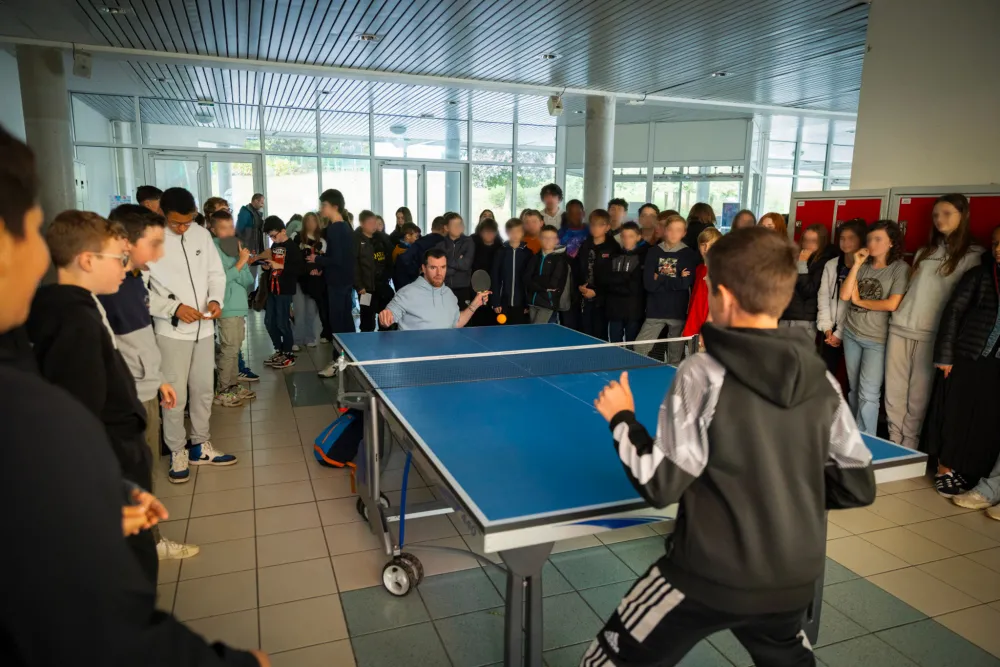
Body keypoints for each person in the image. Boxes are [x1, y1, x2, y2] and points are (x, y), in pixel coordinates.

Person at [0, 125, 272, 667]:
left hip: (175, 369)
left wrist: (102, 499)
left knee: (197, 395)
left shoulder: (43, 338)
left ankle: (199, 445)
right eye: (32, 230)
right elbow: (83, 617)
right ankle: (179, 454)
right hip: (153, 381)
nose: (131, 265)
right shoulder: (46, 358)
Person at [587, 226, 875, 667]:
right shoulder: (823, 379)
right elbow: (858, 485)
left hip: (705, 574)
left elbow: (660, 482)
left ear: (724, 296)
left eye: (707, 287)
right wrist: (780, 494)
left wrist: (621, 417)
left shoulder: (702, 372)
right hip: (791, 576)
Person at [26, 210, 162, 584]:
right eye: (119, 258)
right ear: (87, 260)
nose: (125, 267)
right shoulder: (73, 320)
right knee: (131, 575)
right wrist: (107, 492)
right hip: (109, 472)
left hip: (115, 468)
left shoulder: (78, 307)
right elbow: (79, 416)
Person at [98, 203, 199, 562]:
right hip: (128, 398)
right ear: (126, 242)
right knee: (135, 474)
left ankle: (146, 539)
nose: (158, 253)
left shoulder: (135, 279)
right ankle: (147, 544)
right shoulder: (107, 287)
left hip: (145, 388)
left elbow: (139, 340)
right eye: (153, 243)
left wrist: (157, 380)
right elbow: (112, 349)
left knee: (143, 470)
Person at [146, 187, 237, 482]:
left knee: (203, 390)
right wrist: (172, 308)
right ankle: (177, 450)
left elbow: (215, 274)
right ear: (162, 213)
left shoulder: (199, 234)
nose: (183, 227)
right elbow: (140, 293)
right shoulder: (150, 238)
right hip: (171, 332)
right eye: (177, 222)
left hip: (204, 328)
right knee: (175, 395)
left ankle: (200, 444)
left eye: (189, 220)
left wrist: (216, 300)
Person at [886, 194, 981, 454]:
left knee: (918, 395)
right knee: (893, 390)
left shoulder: (974, 255)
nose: (940, 219)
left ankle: (909, 447)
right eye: (936, 214)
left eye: (947, 213)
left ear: (963, 215)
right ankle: (893, 440)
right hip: (900, 327)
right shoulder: (924, 252)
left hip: (932, 334)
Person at [936, 225, 1000, 512]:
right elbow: (953, 313)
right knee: (957, 414)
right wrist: (945, 355)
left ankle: (971, 473)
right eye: (996, 243)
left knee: (986, 420)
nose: (998, 249)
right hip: (971, 355)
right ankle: (945, 468)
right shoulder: (981, 275)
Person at [839, 220, 909, 435]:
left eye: (878, 239)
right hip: (852, 332)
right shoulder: (863, 265)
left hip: (876, 339)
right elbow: (844, 295)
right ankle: (853, 434)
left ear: (891, 243)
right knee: (853, 388)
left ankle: (867, 441)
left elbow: (891, 304)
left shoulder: (900, 268)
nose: (872, 243)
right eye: (870, 239)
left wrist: (860, 302)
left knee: (868, 393)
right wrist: (857, 264)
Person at [635, 214, 698, 362]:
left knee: (674, 356)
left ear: (684, 233)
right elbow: (649, 284)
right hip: (655, 310)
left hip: (677, 311)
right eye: (670, 229)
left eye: (678, 230)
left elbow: (685, 283)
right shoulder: (653, 252)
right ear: (665, 231)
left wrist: (660, 278)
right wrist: (676, 278)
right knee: (639, 348)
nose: (674, 234)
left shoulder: (688, 254)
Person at [377, 249, 489, 330]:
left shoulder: (449, 295)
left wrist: (475, 305)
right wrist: (385, 318)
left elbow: (456, 323)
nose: (439, 273)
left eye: (443, 267)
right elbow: (388, 317)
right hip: (414, 358)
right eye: (433, 268)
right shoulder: (407, 293)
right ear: (424, 269)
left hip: (444, 356)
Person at [208, 209, 255, 405]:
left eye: (231, 227)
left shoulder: (234, 247)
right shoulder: (213, 249)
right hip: (225, 306)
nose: (228, 231)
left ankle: (233, 385)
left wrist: (240, 263)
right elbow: (218, 280)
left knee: (235, 348)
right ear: (213, 230)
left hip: (239, 305)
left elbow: (248, 279)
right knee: (229, 349)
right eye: (223, 228)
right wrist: (241, 263)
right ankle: (223, 389)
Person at [817, 219, 867, 391]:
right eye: (842, 238)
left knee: (853, 378)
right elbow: (823, 296)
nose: (845, 242)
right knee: (826, 375)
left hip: (853, 330)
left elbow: (854, 305)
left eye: (851, 238)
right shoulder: (832, 265)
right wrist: (826, 327)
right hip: (830, 330)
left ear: (861, 240)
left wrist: (839, 333)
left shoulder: (865, 267)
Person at [261, 216, 304, 368]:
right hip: (273, 288)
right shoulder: (274, 247)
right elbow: (273, 265)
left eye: (274, 235)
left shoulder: (292, 247)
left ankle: (288, 353)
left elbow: (299, 269)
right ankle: (279, 349)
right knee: (269, 321)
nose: (273, 239)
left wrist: (281, 267)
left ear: (283, 231)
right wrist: (267, 267)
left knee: (282, 321)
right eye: (270, 236)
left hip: (285, 290)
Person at [315, 189, 356, 347]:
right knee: (345, 319)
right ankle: (350, 356)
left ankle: (339, 359)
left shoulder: (335, 229)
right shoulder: (346, 227)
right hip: (345, 280)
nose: (321, 209)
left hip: (337, 281)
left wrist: (317, 259)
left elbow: (336, 259)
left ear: (335, 206)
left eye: (324, 205)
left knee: (337, 322)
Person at [780, 223, 835, 330]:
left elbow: (809, 291)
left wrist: (802, 263)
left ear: (821, 243)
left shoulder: (823, 262)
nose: (807, 245)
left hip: (803, 318)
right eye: (805, 240)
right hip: (787, 313)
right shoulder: (796, 256)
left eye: (813, 241)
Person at [576, 209, 618, 340]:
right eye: (593, 224)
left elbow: (614, 277)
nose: (595, 228)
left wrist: (597, 292)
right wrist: (580, 286)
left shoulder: (613, 247)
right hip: (584, 295)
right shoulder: (585, 244)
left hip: (603, 299)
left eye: (600, 224)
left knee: (600, 334)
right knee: (584, 332)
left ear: (607, 227)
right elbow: (578, 268)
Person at [354, 209, 394, 332]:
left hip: (381, 284)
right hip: (366, 289)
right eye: (370, 223)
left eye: (374, 223)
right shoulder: (356, 240)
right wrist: (359, 285)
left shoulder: (382, 239)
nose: (374, 226)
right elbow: (355, 265)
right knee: (367, 317)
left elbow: (389, 259)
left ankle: (385, 340)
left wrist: (387, 275)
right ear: (362, 224)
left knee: (385, 314)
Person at [293, 212, 330, 346]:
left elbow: (324, 261)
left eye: (313, 221)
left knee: (311, 311)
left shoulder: (322, 241)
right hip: (299, 279)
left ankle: (309, 337)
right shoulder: (297, 238)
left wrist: (318, 270)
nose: (310, 223)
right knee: (299, 310)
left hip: (315, 281)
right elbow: (293, 259)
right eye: (307, 221)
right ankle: (297, 339)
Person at [607, 221, 647, 343]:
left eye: (631, 236)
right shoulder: (614, 256)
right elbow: (607, 281)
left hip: (634, 309)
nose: (627, 240)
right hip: (615, 309)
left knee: (632, 344)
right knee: (614, 343)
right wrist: (624, 279)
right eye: (623, 236)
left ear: (638, 237)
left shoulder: (643, 257)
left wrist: (618, 281)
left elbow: (636, 285)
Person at [491, 218, 534, 326]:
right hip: (503, 303)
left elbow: (530, 281)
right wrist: (495, 301)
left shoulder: (528, 254)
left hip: (521, 304)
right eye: (512, 231)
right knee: (502, 334)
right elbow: (495, 278)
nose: (515, 234)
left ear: (523, 232)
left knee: (520, 334)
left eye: (518, 231)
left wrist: (527, 304)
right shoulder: (500, 252)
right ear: (507, 232)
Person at [682, 226, 724, 338]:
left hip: (708, 324)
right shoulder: (699, 268)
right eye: (703, 245)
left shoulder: (719, 270)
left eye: (711, 245)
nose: (706, 249)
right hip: (694, 319)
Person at [524, 225, 569, 324]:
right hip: (532, 302)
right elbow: (526, 279)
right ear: (540, 239)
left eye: (551, 238)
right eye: (545, 238)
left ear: (556, 240)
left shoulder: (560, 260)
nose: (548, 241)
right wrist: (543, 287)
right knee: (533, 333)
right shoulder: (535, 258)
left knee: (539, 333)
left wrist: (536, 281)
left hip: (547, 303)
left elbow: (553, 284)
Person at [394, 216, 447, 292]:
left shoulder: (419, 243)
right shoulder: (445, 244)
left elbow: (404, 260)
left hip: (416, 286)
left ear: (432, 228)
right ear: (445, 229)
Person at [470, 217, 501, 326]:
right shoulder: (473, 246)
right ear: (480, 232)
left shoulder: (500, 247)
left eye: (491, 232)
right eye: (485, 232)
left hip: (494, 289)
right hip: (476, 288)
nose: (488, 234)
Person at [442, 211, 475, 307]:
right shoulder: (441, 244)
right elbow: (440, 268)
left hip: (463, 288)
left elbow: (465, 264)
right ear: (446, 228)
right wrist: (457, 260)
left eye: (459, 224)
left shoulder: (468, 242)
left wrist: (448, 261)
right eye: (454, 225)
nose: (458, 227)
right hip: (445, 287)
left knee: (463, 317)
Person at [236, 193, 265, 260]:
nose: (262, 206)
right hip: (247, 249)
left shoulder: (255, 213)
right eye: (261, 203)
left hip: (253, 248)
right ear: (255, 201)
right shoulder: (245, 213)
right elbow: (238, 230)